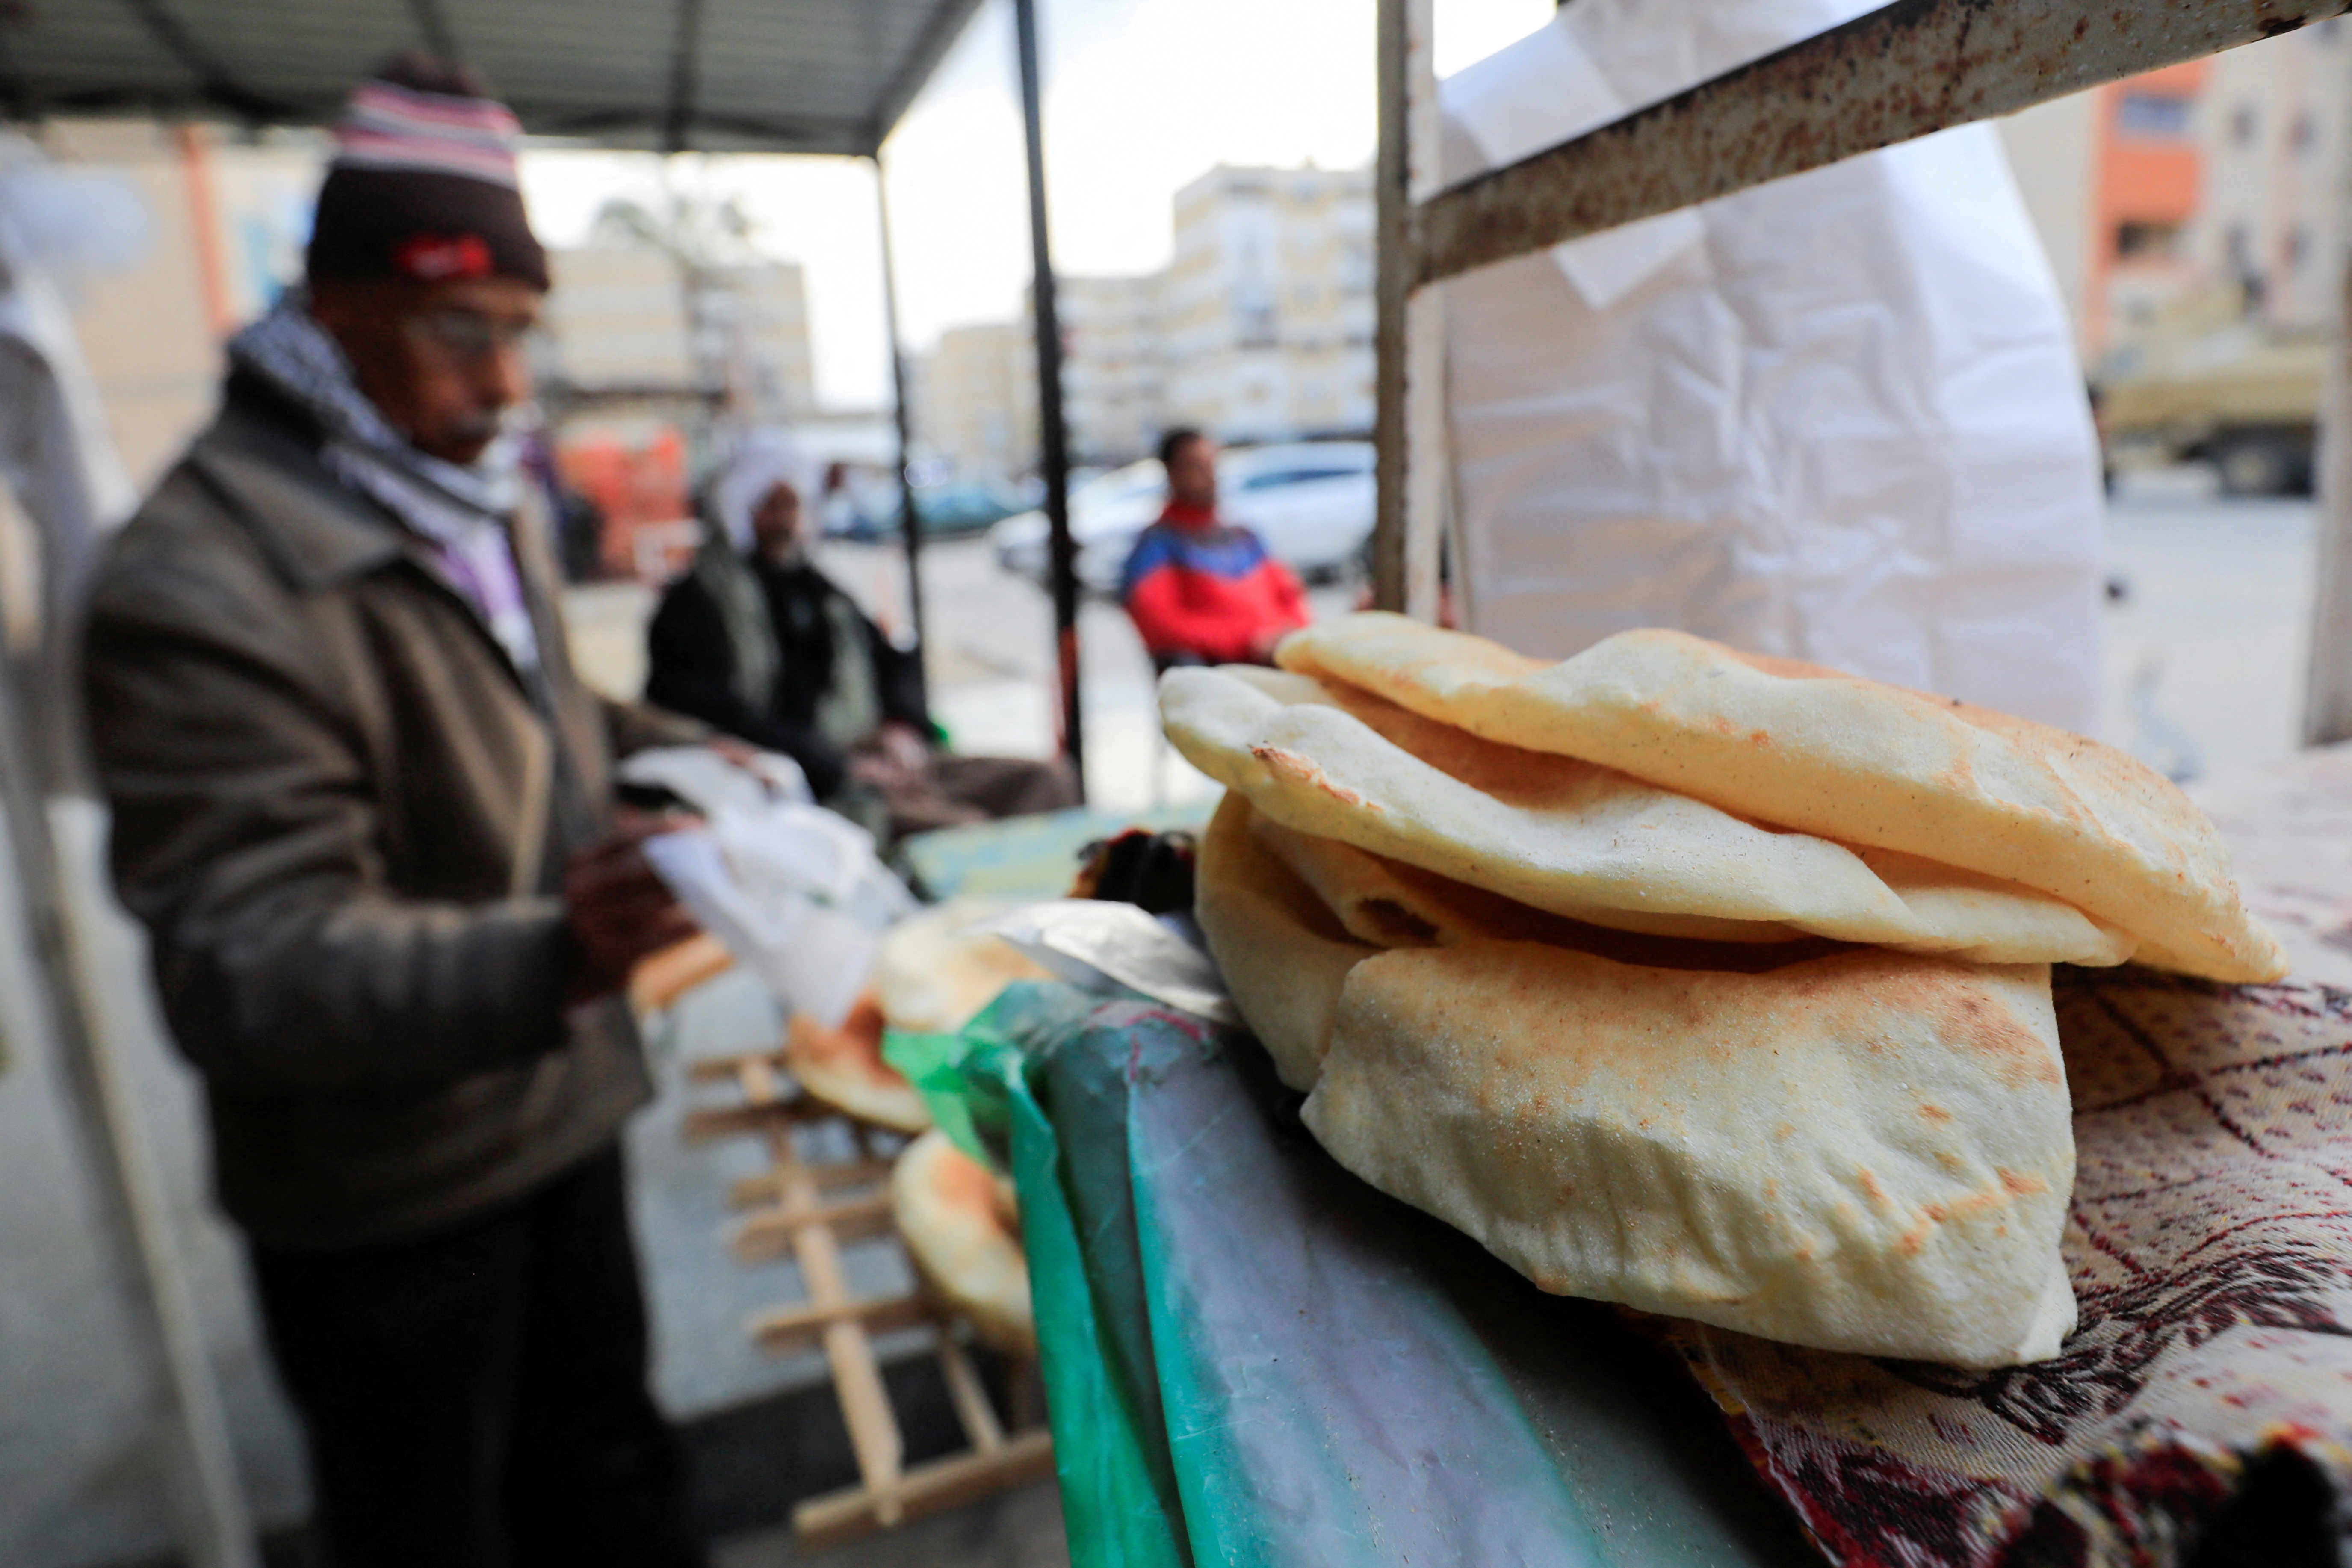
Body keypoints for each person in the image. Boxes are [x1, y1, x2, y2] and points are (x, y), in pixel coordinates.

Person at [80, 56, 712, 1567]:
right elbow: (253, 959)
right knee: (432, 1525)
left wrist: (695, 760)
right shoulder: (199, 578)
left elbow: (549, 719)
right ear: (335, 304)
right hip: (389, 1197)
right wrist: (555, 950)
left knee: (611, 1478)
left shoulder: (460, 491)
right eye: (457, 331)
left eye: (518, 337)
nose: (500, 386)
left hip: (559, 1104)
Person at [646, 439, 1078, 841]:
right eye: (770, 507)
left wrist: (902, 729)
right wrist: (839, 766)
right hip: (814, 789)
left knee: (1048, 782)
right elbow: (716, 719)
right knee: (967, 834)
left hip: (890, 762)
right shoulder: (696, 608)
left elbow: (892, 661)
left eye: (791, 505)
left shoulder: (817, 588)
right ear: (738, 510)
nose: (783, 522)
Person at [1119, 427, 1311, 667]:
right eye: (1197, 466)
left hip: (1277, 661)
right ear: (1173, 472)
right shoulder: (1157, 546)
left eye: (1214, 464)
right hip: (1220, 676)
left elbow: (1291, 596)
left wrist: (1287, 636)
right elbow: (1162, 627)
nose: (1211, 475)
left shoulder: (1245, 537)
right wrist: (1248, 641)